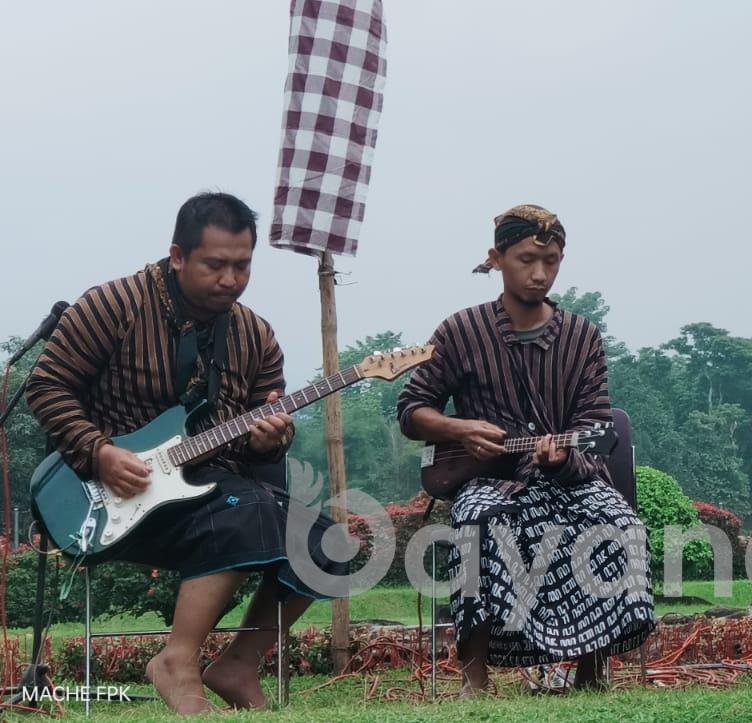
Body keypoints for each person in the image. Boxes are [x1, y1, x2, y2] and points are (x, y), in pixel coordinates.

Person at [25, 192, 344, 714]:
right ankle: (176, 661)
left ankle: (240, 664)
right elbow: (46, 386)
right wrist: (100, 452)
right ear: (177, 256)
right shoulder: (113, 305)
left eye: (243, 266)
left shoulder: (256, 336)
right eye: (215, 265)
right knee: (252, 513)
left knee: (328, 545)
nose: (230, 279)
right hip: (104, 499)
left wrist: (273, 437)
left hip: (206, 492)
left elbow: (259, 432)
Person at [397, 204, 654, 695]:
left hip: (567, 477)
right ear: (496, 258)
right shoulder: (461, 330)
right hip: (489, 480)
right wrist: (458, 428)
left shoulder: (582, 338)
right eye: (525, 260)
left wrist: (562, 459)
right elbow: (412, 409)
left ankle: (592, 667)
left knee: (619, 522)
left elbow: (597, 425)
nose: (540, 274)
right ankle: (475, 675)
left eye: (552, 261)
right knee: (478, 518)